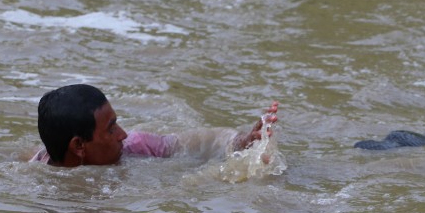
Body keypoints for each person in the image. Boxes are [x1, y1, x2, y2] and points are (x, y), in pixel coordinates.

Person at [31, 83, 278, 167]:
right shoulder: (38, 175)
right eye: (111, 129)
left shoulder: (135, 145)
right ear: (79, 146)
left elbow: (201, 141)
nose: (122, 134)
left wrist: (242, 142)